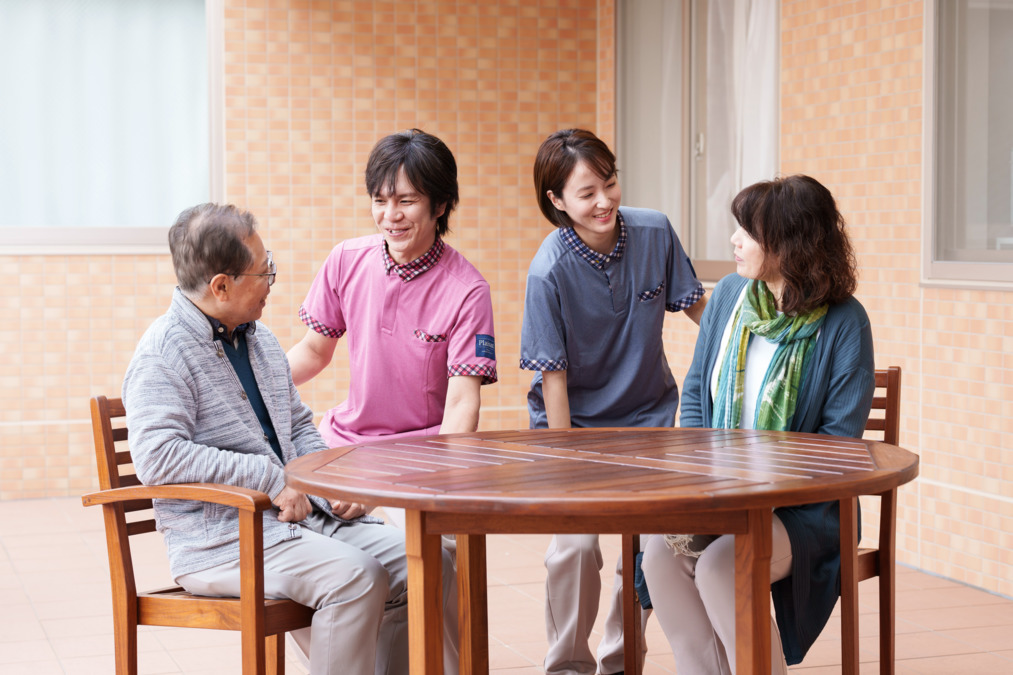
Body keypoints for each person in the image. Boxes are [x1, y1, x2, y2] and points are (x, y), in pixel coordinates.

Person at [122, 203, 459, 675]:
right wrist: (270, 477)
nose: (271, 281)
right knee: (356, 578)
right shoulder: (163, 354)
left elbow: (298, 424)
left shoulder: (258, 340)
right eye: (265, 271)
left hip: (299, 522)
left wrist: (329, 481)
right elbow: (157, 458)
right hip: (222, 542)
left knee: (429, 561)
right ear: (222, 285)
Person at [640, 174, 876, 674]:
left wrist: (754, 486)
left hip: (803, 508)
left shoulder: (844, 322)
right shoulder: (728, 295)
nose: (734, 240)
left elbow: (837, 446)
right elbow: (699, 392)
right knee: (659, 555)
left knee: (724, 566)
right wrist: (709, 481)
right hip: (718, 494)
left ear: (791, 244)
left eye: (748, 231)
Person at [519, 128, 707, 675]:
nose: (604, 201)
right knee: (576, 550)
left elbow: (699, 311)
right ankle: (567, 667)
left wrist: (742, 345)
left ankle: (622, 663)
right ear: (556, 201)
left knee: (644, 553)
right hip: (572, 426)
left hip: (649, 420)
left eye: (610, 183)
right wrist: (565, 460)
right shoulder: (548, 271)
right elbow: (552, 379)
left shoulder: (654, 231)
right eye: (586, 193)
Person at [287, 128, 496, 473]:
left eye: (406, 201)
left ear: (440, 205)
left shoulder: (468, 291)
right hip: (344, 444)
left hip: (420, 453)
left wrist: (439, 479)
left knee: (402, 529)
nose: (391, 215)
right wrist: (252, 388)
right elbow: (312, 351)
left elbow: (461, 403)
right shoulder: (345, 259)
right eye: (380, 201)